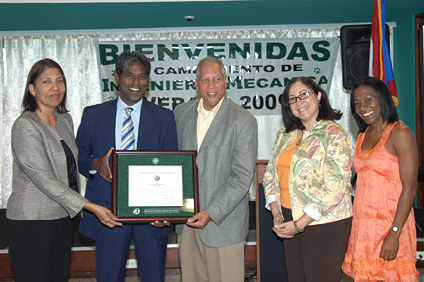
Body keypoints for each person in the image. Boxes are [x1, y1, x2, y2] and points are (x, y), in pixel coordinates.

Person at [6, 58, 121, 282]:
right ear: (32, 89)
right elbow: (43, 178)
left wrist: (97, 163)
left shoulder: (65, 120)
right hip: (31, 221)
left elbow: (72, 163)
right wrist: (91, 207)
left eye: (60, 81)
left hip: (62, 217)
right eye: (46, 81)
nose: (55, 87)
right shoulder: (25, 125)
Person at [76, 51, 178, 282]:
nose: (136, 82)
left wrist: (167, 212)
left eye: (142, 76)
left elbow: (172, 168)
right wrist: (95, 163)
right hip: (108, 213)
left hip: (151, 215)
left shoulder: (164, 118)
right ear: (116, 77)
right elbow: (78, 157)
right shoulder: (93, 115)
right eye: (129, 75)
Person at [174, 56, 258, 282]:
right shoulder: (180, 113)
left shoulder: (243, 120)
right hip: (187, 222)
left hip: (224, 223)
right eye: (205, 80)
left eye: (217, 79)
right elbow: (173, 164)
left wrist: (210, 212)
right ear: (196, 83)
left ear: (226, 81)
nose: (211, 86)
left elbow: (241, 178)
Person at [263, 76, 354, 281]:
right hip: (288, 219)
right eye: (292, 99)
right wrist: (276, 211)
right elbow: (270, 172)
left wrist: (300, 224)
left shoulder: (334, 134)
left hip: (324, 223)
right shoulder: (285, 134)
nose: (299, 102)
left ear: (318, 95)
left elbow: (334, 188)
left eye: (304, 94)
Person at [342, 77, 419, 281]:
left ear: (382, 99)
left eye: (368, 100)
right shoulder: (362, 135)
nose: (362, 107)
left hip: (391, 226)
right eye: (357, 103)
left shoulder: (400, 133)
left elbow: (410, 188)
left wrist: (394, 233)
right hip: (364, 230)